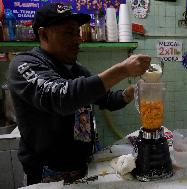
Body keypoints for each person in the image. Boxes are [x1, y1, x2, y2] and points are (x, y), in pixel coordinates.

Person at [7, 2, 151, 185]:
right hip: (47, 172)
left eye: (77, 32)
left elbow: (107, 99)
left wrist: (133, 91)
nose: (77, 39)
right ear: (43, 34)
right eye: (69, 33)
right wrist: (123, 70)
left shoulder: (77, 70)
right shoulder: (25, 65)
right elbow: (62, 97)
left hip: (84, 165)